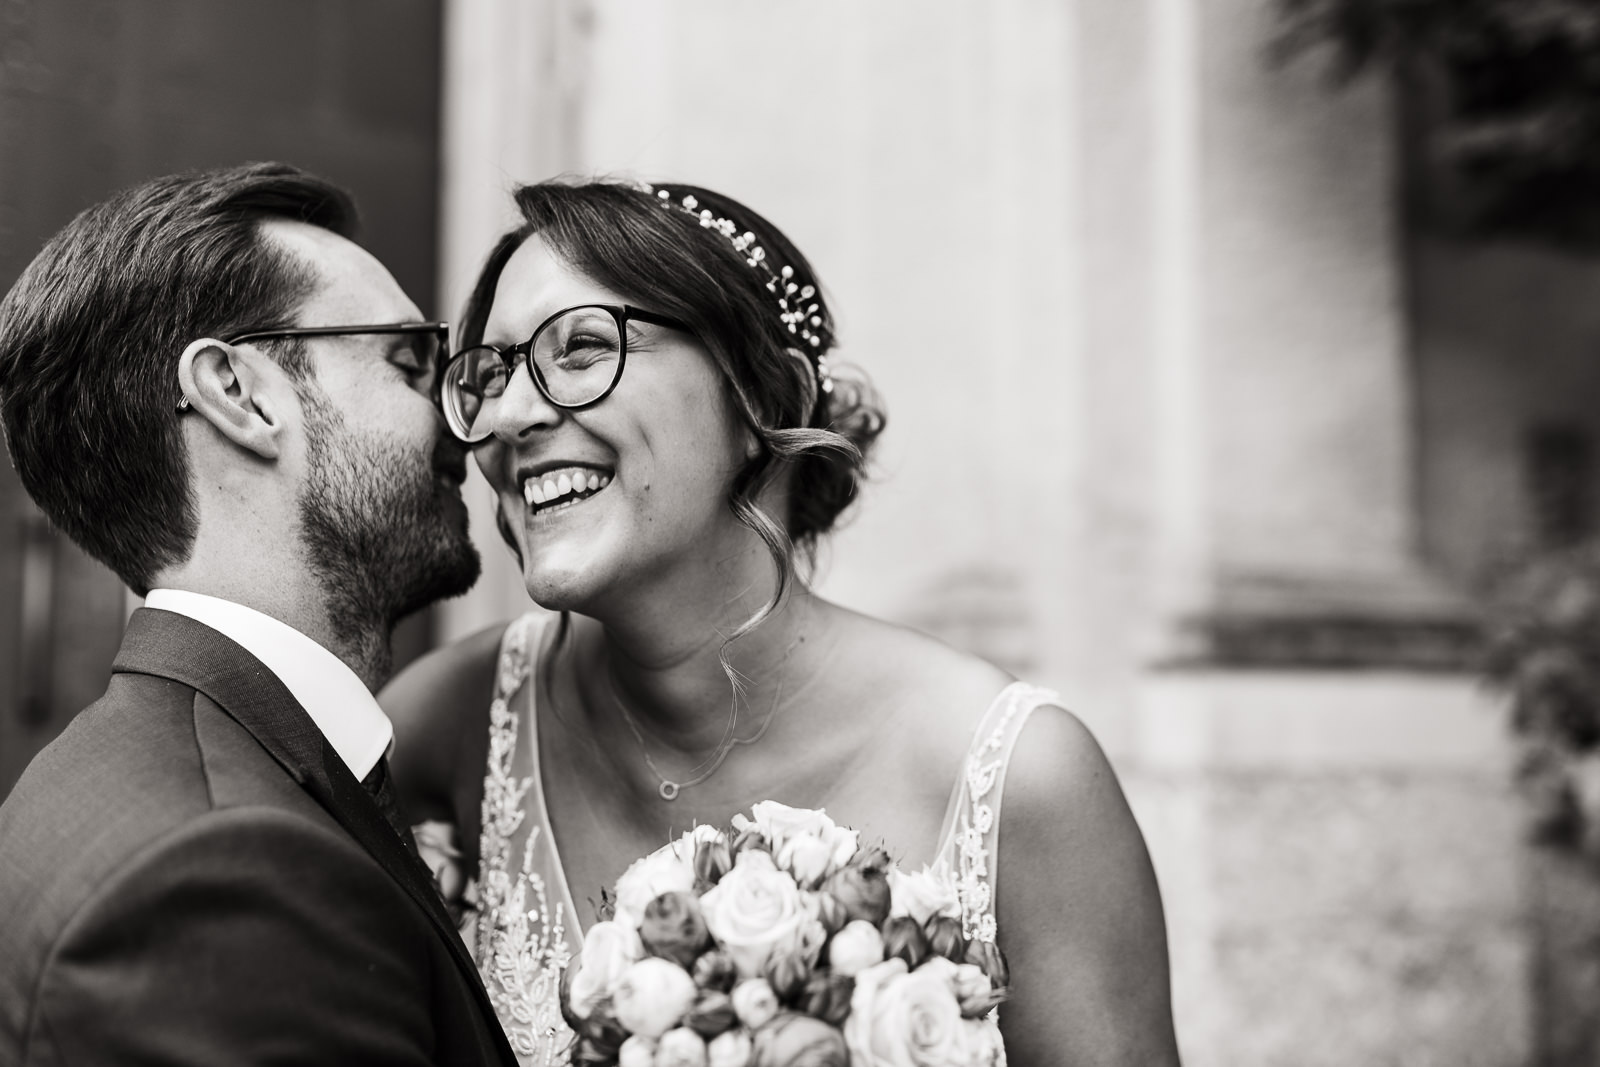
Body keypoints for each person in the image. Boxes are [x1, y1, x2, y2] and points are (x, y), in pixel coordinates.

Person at [384, 178, 1180, 1065]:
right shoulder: (451, 723)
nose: (511, 417)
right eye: (490, 376)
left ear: (767, 400)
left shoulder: (1020, 781)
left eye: (580, 349)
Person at [0, 163, 517, 1065]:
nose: (468, 418)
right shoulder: (216, 872)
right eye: (409, 362)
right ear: (238, 394)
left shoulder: (114, 772)